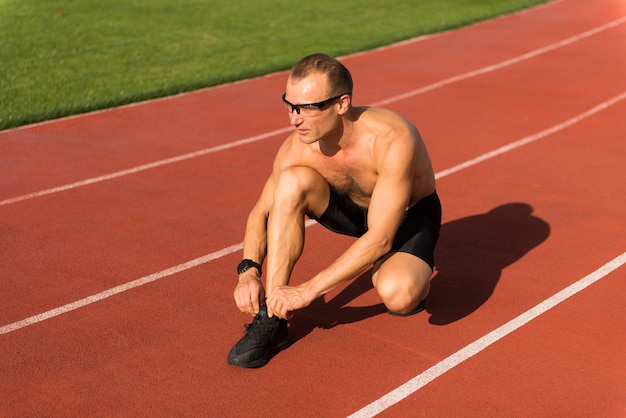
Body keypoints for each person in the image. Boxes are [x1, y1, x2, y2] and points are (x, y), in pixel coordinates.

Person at [227, 53, 441, 368]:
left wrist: (307, 291)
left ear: (341, 104)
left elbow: (381, 236)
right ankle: (271, 319)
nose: (294, 119)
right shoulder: (295, 149)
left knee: (399, 294)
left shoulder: (392, 138)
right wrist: (248, 271)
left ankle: (404, 268)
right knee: (290, 182)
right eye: (290, 105)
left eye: (308, 108)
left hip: (408, 217)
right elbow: (261, 213)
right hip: (354, 213)